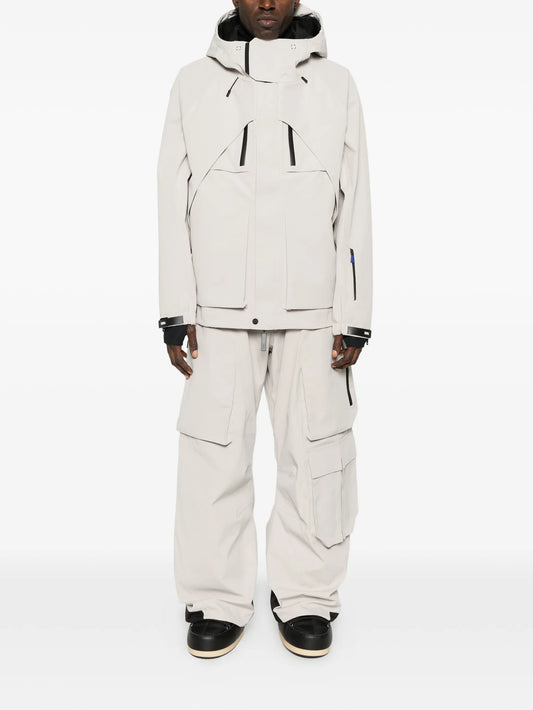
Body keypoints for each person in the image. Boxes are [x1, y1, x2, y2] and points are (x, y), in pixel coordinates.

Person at [157, 0, 373, 658]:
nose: (268, 4)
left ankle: (306, 595)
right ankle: (215, 597)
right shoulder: (193, 83)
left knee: (316, 452)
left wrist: (354, 314)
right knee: (212, 456)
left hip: (313, 312)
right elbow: (170, 199)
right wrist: (176, 309)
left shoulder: (336, 85)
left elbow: (356, 201)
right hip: (218, 314)